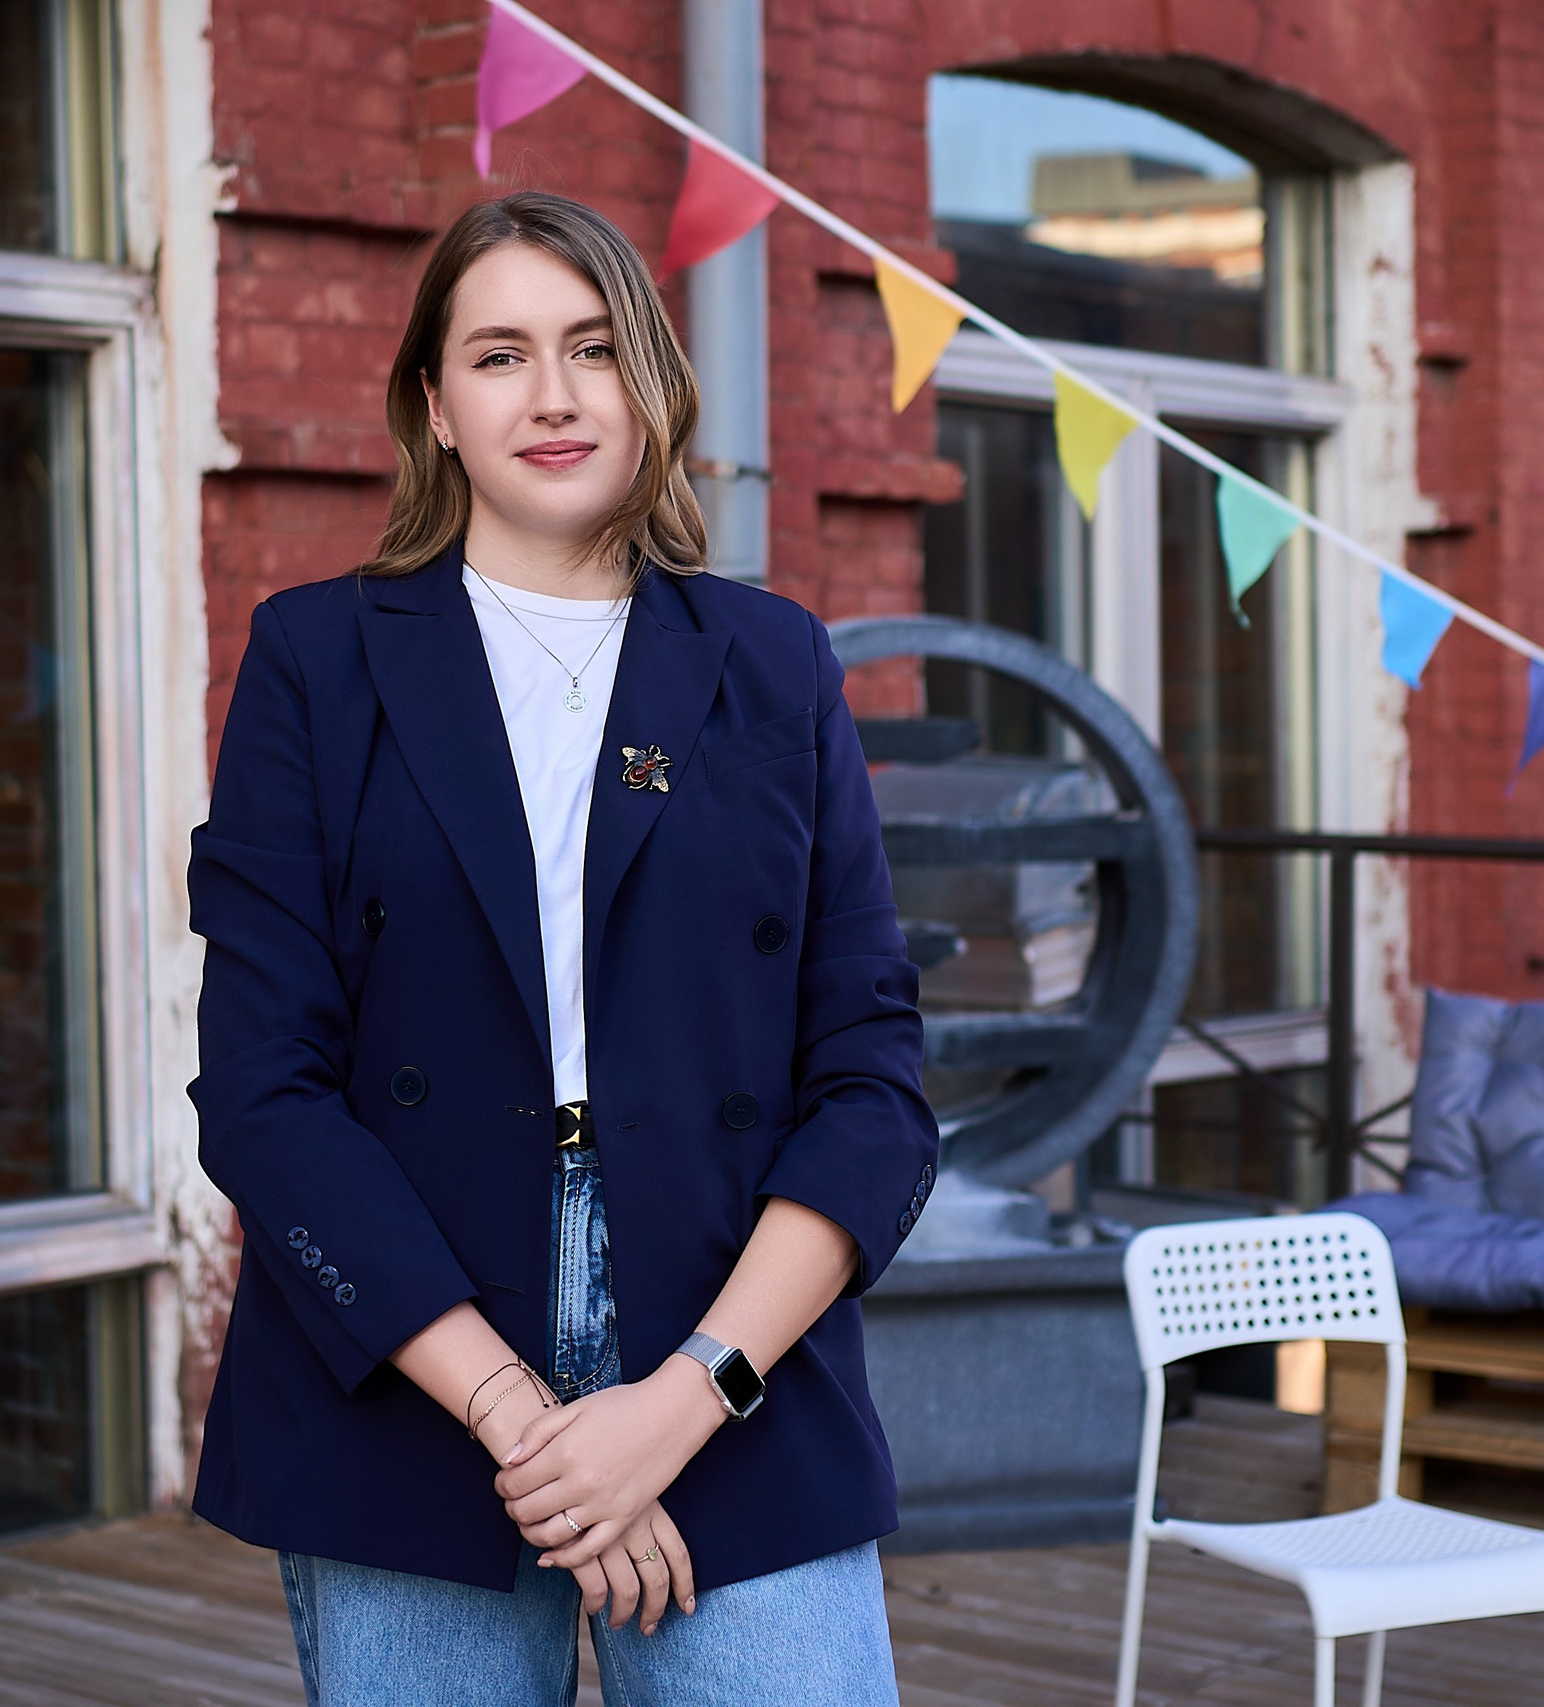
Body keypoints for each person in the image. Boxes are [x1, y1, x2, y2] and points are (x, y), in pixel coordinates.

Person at [188, 189, 937, 1706]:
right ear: (435, 406)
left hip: (731, 1339)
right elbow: (263, 1090)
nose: (552, 395)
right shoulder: (318, 660)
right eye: (501, 354)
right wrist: (530, 1427)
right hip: (414, 1356)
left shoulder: (772, 662)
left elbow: (870, 1078)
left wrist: (679, 1404)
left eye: (593, 348)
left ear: (652, 384)